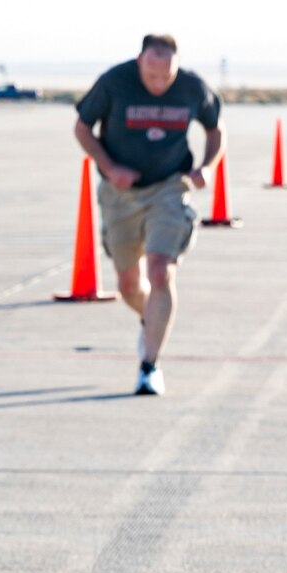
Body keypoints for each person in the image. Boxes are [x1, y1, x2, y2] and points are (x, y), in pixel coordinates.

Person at [74, 34, 222, 396]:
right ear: (140, 60)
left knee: (160, 271)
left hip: (170, 187)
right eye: (152, 76)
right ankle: (150, 318)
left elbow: (215, 130)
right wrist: (109, 167)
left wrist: (206, 166)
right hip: (120, 193)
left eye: (166, 77)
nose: (159, 85)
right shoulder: (114, 82)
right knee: (128, 284)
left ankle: (149, 366)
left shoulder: (192, 87)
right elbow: (82, 128)